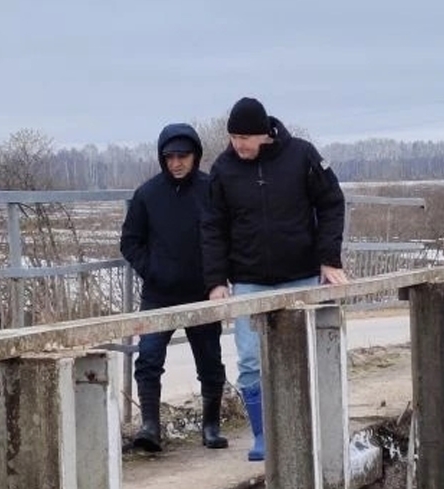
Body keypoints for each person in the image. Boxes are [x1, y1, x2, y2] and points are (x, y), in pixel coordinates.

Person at [201, 97, 348, 461]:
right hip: (249, 279)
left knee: (304, 355)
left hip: (299, 275)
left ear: (264, 134)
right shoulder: (223, 169)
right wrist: (216, 280)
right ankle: (264, 434)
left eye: (245, 138)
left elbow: (331, 202)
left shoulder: (301, 156)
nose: (239, 145)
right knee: (251, 361)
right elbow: (213, 226)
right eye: (233, 137)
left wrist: (329, 259)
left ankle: (307, 427)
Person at [120, 123, 228, 453]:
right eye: (170, 157)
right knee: (149, 358)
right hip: (159, 295)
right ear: (162, 159)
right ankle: (150, 426)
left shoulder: (211, 190)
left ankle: (211, 425)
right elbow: (129, 242)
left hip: (203, 292)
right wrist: (153, 270)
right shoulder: (147, 195)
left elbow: (226, 237)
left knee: (210, 362)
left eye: (183, 156)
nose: (177, 163)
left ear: (195, 156)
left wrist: (218, 279)